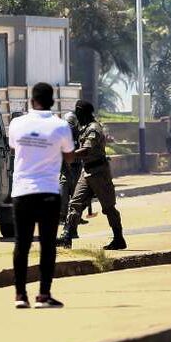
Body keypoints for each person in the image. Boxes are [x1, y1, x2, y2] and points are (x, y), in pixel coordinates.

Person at [7, 83, 75, 309]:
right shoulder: (61, 126)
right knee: (47, 245)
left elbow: (14, 147)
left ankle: (20, 295)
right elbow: (69, 156)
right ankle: (44, 295)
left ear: (31, 100)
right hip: (48, 191)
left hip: (22, 192)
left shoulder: (17, 124)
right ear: (52, 101)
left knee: (22, 244)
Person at [60, 100, 126, 250]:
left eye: (78, 113)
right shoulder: (83, 128)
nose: (77, 116)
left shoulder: (94, 129)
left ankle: (118, 238)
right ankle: (67, 237)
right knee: (75, 203)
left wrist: (68, 155)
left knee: (108, 207)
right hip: (87, 171)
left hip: (99, 172)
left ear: (82, 112)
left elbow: (86, 150)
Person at [59, 111, 82, 225]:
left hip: (77, 168)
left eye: (71, 124)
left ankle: (76, 217)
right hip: (65, 169)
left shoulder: (80, 135)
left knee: (77, 195)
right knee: (63, 191)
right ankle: (62, 216)